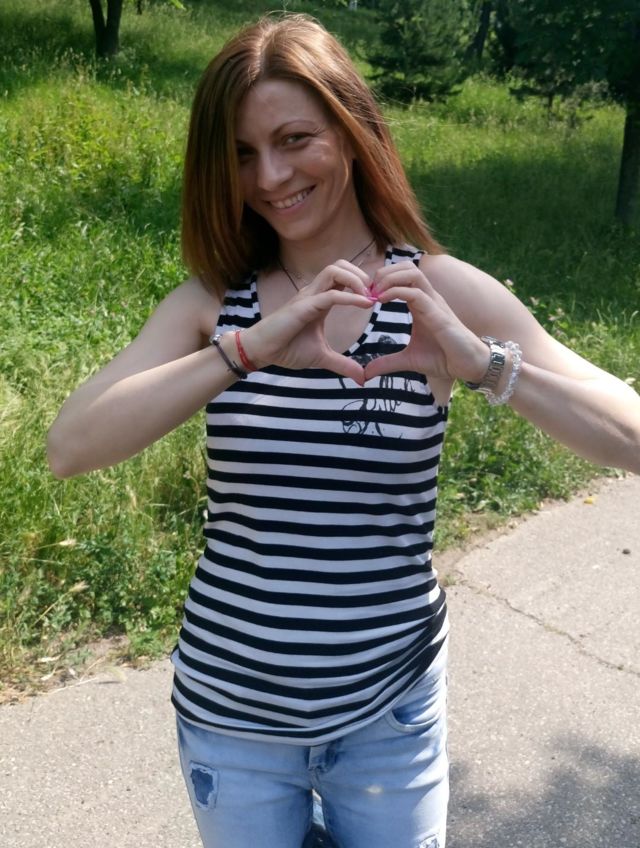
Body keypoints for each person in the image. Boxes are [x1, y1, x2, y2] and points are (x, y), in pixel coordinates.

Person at [47, 13, 640, 848]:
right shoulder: (215, 305)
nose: (270, 176)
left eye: (295, 139)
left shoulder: (439, 292)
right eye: (243, 153)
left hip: (387, 715)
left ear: (354, 133)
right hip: (231, 719)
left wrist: (484, 366)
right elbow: (70, 447)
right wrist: (244, 351)